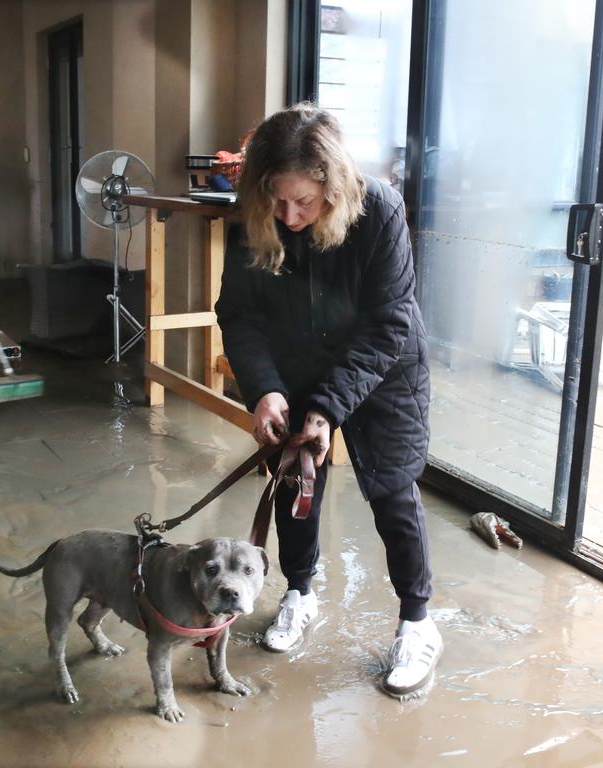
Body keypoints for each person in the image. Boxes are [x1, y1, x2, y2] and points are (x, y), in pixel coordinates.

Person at [215, 103, 441, 699]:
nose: (288, 217)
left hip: (383, 367)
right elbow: (239, 315)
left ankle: (417, 623)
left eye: (304, 203)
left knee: (393, 490)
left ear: (333, 188)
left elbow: (388, 322)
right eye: (277, 202)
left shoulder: (380, 211)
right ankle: (299, 592)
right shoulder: (254, 219)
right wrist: (264, 389)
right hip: (295, 361)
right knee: (295, 482)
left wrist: (328, 406)